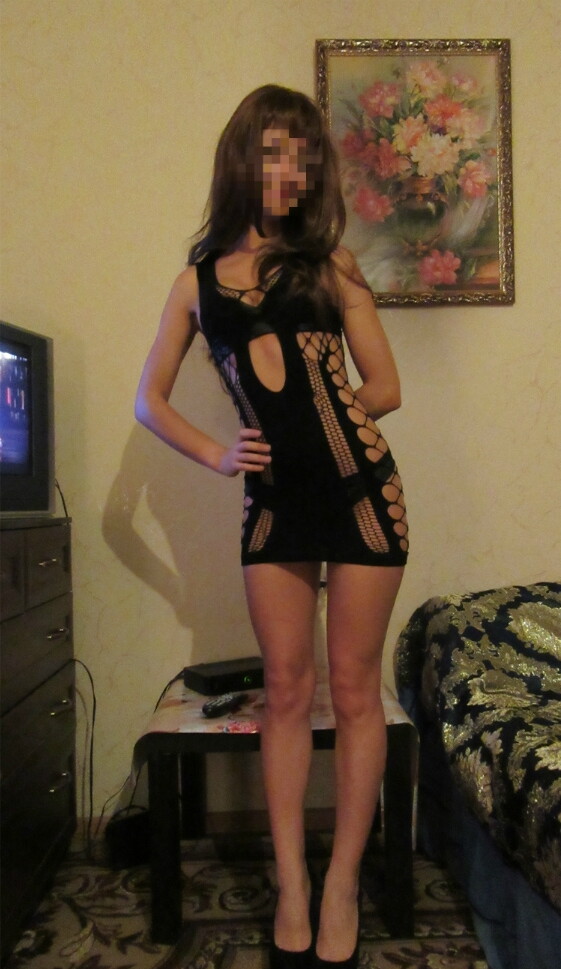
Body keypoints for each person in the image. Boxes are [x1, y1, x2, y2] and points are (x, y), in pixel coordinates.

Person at [135, 84, 408, 969]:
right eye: (276, 149)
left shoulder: (332, 266)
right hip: (274, 506)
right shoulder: (194, 283)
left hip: (363, 494)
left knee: (354, 691)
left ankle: (341, 884)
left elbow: (385, 386)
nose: (293, 169)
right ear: (242, 156)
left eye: (305, 153)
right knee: (286, 691)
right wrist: (220, 455)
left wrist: (333, 426)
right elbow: (149, 400)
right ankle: (292, 881)